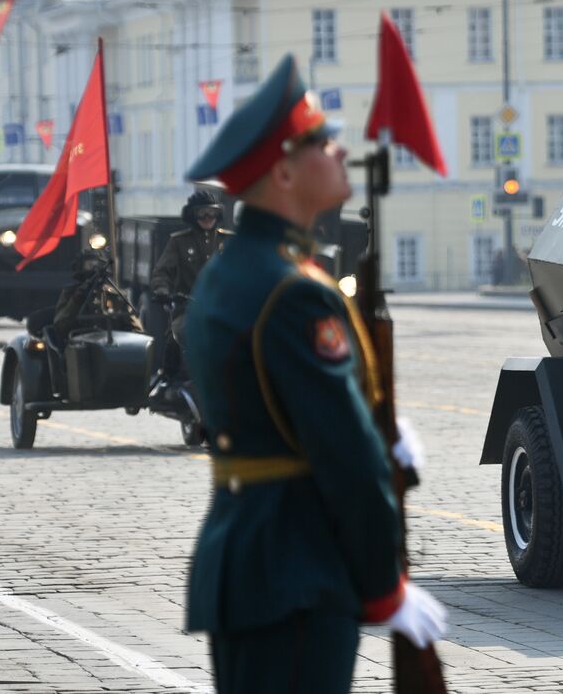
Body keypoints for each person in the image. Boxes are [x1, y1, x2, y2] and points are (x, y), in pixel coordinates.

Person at [182, 55, 445, 693]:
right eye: (323, 140)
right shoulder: (294, 291)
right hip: (296, 569)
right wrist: (385, 590)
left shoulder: (233, 273)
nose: (340, 149)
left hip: (249, 560)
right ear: (284, 170)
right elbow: (347, 458)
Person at [150, 189, 231, 375]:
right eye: (202, 213)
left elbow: (247, 271)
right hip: (188, 308)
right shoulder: (179, 242)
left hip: (226, 310)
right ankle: (169, 384)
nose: (208, 217)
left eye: (212, 212)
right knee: (177, 336)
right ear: (192, 215)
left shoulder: (230, 241)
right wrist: (162, 289)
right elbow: (162, 272)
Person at [49, 250, 142, 345]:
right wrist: (75, 301)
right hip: (81, 347)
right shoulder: (71, 293)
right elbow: (60, 326)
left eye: (97, 265)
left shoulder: (116, 296)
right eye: (89, 265)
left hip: (114, 347)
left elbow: (137, 330)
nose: (94, 269)